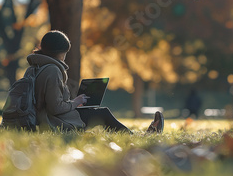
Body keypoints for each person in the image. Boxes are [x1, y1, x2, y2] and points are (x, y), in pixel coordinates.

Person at [28, 30, 164, 133]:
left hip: (45, 118)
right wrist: (75, 102)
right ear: (59, 52)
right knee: (102, 113)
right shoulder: (52, 70)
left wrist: (74, 104)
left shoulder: (37, 67)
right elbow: (55, 107)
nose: (64, 57)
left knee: (97, 112)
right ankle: (139, 137)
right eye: (64, 53)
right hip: (53, 122)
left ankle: (134, 135)